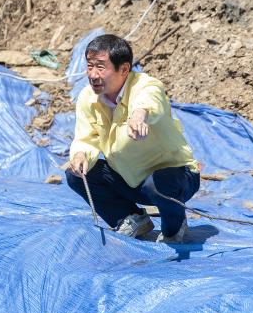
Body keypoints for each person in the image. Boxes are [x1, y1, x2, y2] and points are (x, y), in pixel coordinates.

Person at [65, 34, 200, 243]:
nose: (93, 74)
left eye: (100, 67)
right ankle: (131, 218)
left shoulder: (146, 85)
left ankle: (175, 225)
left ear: (124, 69)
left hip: (175, 178)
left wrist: (139, 115)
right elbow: (86, 137)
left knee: (156, 185)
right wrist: (80, 155)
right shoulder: (87, 98)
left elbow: (150, 100)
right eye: (90, 66)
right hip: (129, 178)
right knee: (76, 175)